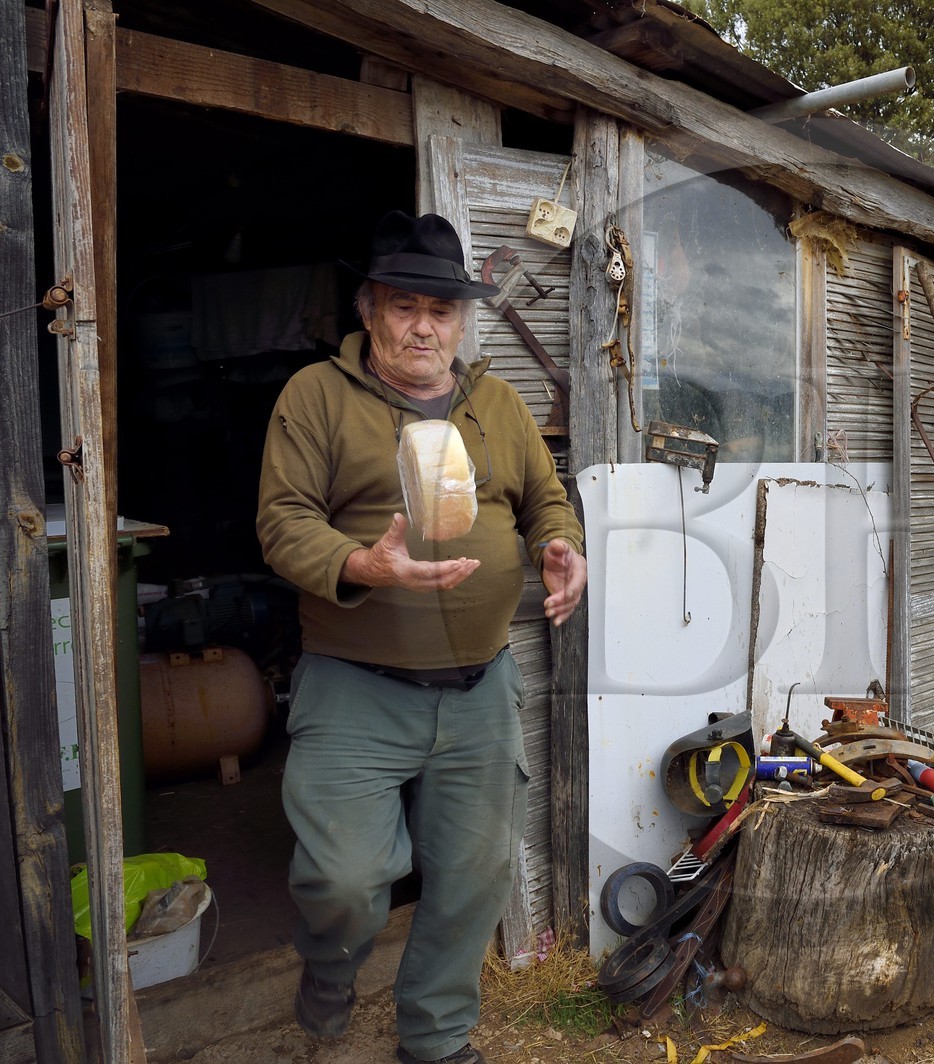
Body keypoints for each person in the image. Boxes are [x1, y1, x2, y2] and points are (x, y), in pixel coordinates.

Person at [257, 211, 586, 1064]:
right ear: (370, 310)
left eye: (442, 309)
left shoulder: (499, 403)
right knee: (345, 879)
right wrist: (362, 564)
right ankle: (331, 968)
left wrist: (561, 545)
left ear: (463, 320)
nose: (424, 326)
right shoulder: (316, 397)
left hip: (481, 688)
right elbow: (282, 523)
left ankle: (436, 1039)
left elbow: (544, 497)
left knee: (472, 882)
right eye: (405, 305)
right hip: (353, 682)